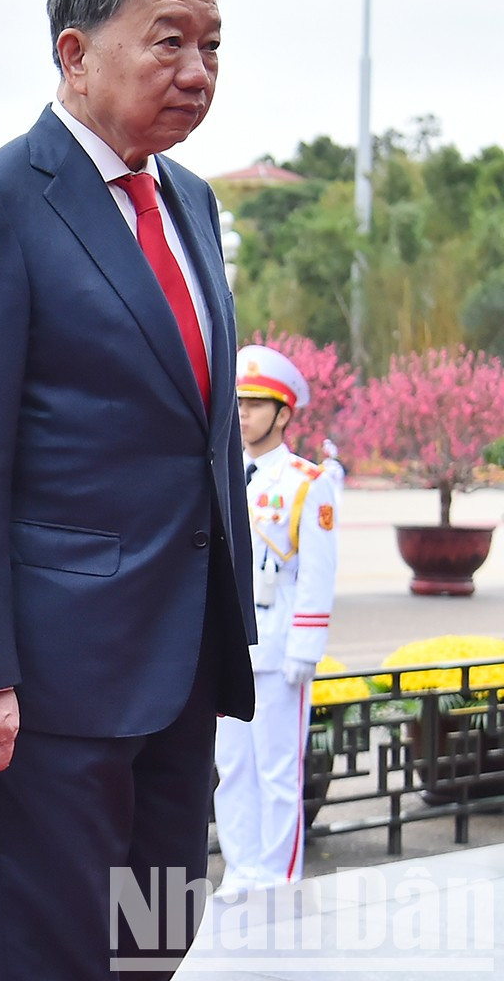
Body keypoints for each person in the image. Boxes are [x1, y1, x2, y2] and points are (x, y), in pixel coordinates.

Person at [0, 0, 256, 978]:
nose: (196, 72)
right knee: (51, 951)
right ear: (74, 53)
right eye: (168, 42)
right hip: (46, 691)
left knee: (155, 936)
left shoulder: (188, 200)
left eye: (213, 46)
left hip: (180, 666)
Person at [214, 345, 337, 895]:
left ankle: (279, 875)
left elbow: (317, 572)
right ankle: (240, 867)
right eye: (237, 402)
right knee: (233, 767)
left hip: (280, 644)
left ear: (284, 413)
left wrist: (305, 650)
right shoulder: (219, 471)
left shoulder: (306, 482)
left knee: (278, 771)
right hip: (227, 648)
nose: (241, 413)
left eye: (255, 404)